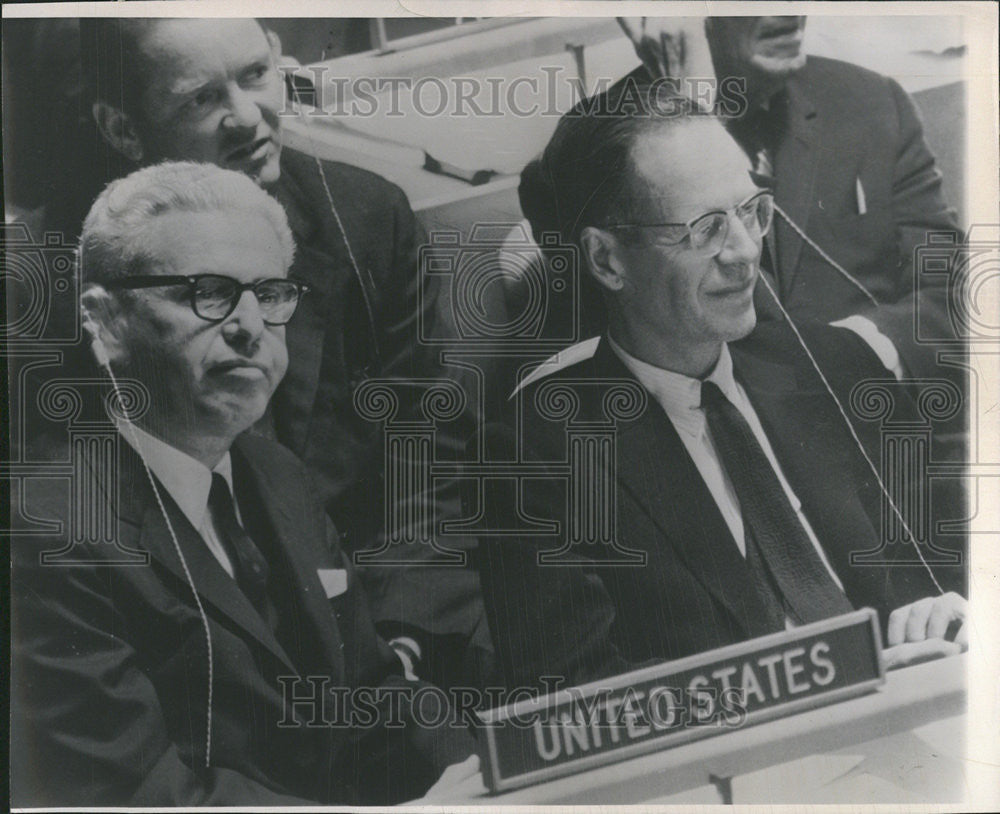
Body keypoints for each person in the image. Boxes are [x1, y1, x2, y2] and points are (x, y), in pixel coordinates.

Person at [10, 162, 484, 806]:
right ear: (105, 321)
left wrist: (493, 779)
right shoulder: (43, 531)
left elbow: (374, 694)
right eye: (207, 293)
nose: (249, 326)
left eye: (270, 293)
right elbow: (138, 792)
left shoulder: (274, 471)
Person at [477, 89, 967, 692]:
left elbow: (951, 567)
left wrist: (955, 613)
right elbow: (576, 698)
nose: (744, 252)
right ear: (607, 261)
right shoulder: (539, 455)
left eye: (751, 211)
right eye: (707, 229)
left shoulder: (835, 368)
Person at [55, 16, 487, 688]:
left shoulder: (366, 219)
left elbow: (424, 466)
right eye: (200, 99)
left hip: (383, 632)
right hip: (187, 670)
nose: (247, 118)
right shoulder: (50, 285)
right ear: (121, 128)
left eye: (255, 75)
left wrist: (400, 650)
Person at [606, 17, 964, 381]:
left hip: (883, 404)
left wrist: (859, 353)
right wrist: (692, 115)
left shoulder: (873, 102)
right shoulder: (598, 146)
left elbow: (954, 294)